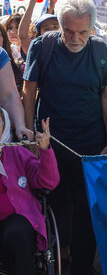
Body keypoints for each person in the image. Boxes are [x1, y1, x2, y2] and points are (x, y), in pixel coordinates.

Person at [22, 0, 107, 275]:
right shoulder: (43, 46)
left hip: (89, 146)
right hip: (49, 145)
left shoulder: (102, 51)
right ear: (60, 25)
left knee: (86, 212)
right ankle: (54, 261)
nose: (75, 38)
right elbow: (29, 93)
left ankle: (82, 266)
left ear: (92, 28)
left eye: (82, 33)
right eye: (69, 31)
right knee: (53, 206)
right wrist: (30, 138)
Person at [0, 112, 59, 275]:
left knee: (16, 232)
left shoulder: (17, 153)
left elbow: (48, 181)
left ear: (4, 128)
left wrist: (45, 150)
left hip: (17, 219)